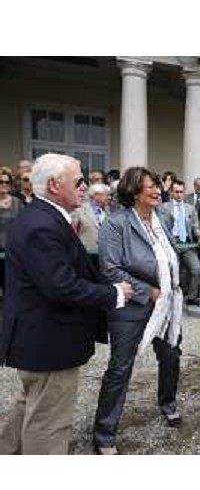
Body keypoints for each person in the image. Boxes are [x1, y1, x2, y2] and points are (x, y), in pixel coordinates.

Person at [0, 153, 132, 455]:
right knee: (49, 423)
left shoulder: (42, 216)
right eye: (79, 181)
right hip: (48, 342)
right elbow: (62, 286)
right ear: (53, 185)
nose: (86, 186)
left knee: (31, 402)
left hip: (42, 340)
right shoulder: (41, 225)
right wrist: (114, 294)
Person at [93, 167, 185, 454]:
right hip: (131, 306)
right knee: (120, 367)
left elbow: (170, 255)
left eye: (158, 185)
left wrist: (169, 288)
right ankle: (104, 434)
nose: (158, 191)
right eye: (151, 187)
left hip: (168, 302)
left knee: (171, 355)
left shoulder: (163, 218)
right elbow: (110, 268)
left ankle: (167, 403)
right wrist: (149, 291)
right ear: (134, 192)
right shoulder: (116, 222)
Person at [159, 179, 200, 306]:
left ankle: (191, 297)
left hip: (187, 244)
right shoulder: (164, 207)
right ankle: (171, 299)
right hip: (170, 244)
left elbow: (195, 227)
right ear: (171, 193)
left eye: (181, 191)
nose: (179, 194)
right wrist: (170, 243)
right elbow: (162, 228)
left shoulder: (190, 208)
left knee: (196, 270)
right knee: (172, 273)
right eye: (176, 192)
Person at [0, 168, 24, 296]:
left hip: (11, 251)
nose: (4, 184)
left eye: (7, 182)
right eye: (1, 182)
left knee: (10, 287)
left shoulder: (17, 202)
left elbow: (23, 226)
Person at [71, 183, 110, 251]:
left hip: (104, 253)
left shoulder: (108, 211)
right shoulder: (80, 210)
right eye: (106, 195)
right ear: (96, 195)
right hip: (85, 252)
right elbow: (72, 232)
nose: (109, 198)